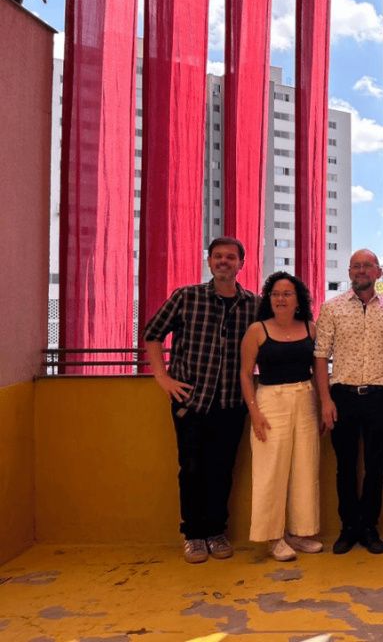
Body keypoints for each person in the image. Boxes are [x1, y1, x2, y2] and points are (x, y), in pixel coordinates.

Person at [143, 237, 258, 564]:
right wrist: (162, 376)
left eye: (231, 257)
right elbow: (152, 333)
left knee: (222, 470)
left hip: (231, 403)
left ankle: (215, 531)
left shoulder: (254, 304)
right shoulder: (185, 297)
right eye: (218, 256)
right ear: (209, 262)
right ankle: (193, 535)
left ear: (241, 264)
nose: (224, 261)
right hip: (190, 402)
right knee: (191, 469)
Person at [315, 249, 383, 556]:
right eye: (355, 266)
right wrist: (325, 400)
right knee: (345, 467)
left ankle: (370, 528)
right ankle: (348, 528)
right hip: (342, 396)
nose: (361, 270)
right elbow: (320, 356)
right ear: (349, 272)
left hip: (379, 396)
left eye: (367, 266)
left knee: (375, 467)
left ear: (378, 272)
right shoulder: (331, 307)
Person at [240, 272, 322, 562]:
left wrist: (322, 405)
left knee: (306, 466)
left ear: (298, 299)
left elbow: (318, 370)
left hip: (305, 398)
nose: (281, 298)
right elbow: (245, 374)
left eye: (287, 293)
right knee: (270, 470)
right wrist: (254, 412)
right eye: (275, 294)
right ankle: (273, 537)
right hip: (270, 402)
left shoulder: (311, 328)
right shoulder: (257, 330)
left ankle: (301, 532)